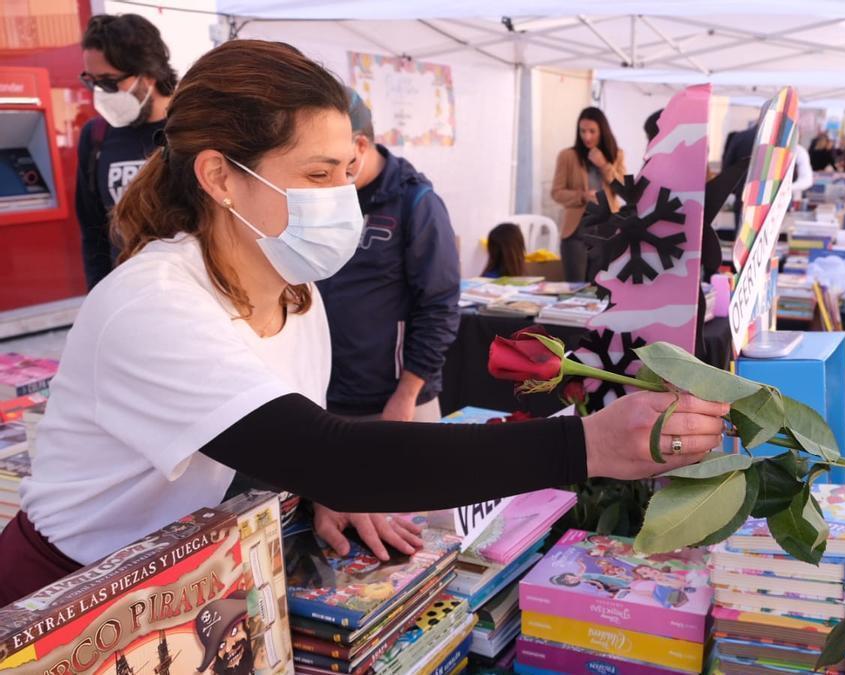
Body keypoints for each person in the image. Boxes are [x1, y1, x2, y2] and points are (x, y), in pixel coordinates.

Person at [0, 40, 729, 606]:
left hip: (192, 583)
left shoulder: (296, 291)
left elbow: (276, 441)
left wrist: (318, 489)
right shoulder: (151, 303)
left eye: (345, 174)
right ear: (220, 177)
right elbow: (328, 450)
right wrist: (586, 444)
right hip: (70, 597)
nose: (339, 200)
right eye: (316, 176)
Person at [316, 88, 459, 424]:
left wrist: (407, 393)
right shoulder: (324, 199)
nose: (327, 173)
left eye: (335, 160)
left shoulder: (416, 202)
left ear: (361, 145)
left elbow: (440, 305)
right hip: (327, 394)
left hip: (395, 402)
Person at [76, 14, 176, 289]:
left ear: (150, 73)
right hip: (127, 294)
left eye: (108, 81)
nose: (100, 93)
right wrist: (99, 295)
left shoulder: (192, 128)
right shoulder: (95, 136)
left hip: (191, 297)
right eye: (91, 81)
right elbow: (92, 228)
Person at [551, 107, 626, 282]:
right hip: (577, 229)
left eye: (592, 131)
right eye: (583, 131)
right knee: (575, 285)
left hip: (607, 228)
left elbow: (623, 189)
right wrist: (582, 195)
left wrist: (604, 165)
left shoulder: (616, 154)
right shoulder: (567, 156)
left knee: (602, 287)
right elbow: (557, 193)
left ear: (602, 131)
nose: (587, 136)